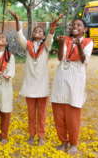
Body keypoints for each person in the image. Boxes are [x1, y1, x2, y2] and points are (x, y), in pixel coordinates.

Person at [10, 11, 60, 146]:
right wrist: (17, 20)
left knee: (42, 113)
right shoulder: (28, 46)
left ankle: (41, 136)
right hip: (30, 84)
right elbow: (20, 36)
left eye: (40, 31)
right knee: (31, 113)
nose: (37, 32)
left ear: (43, 36)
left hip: (42, 85)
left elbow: (50, 37)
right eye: (35, 31)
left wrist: (53, 25)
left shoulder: (46, 46)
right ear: (32, 35)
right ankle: (32, 135)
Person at [51, 19, 93, 155]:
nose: (75, 27)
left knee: (72, 113)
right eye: (73, 25)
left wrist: (78, 45)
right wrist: (61, 43)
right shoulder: (66, 39)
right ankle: (63, 142)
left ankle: (73, 143)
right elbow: (60, 58)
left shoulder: (88, 42)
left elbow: (83, 60)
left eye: (79, 25)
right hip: (61, 76)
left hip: (76, 79)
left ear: (85, 29)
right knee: (59, 113)